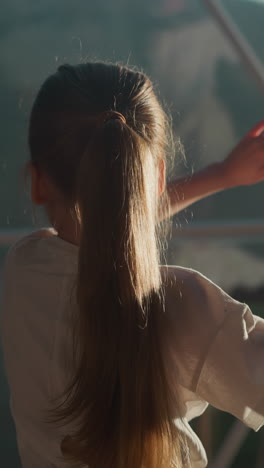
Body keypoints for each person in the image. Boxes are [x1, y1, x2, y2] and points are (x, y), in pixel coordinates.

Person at [2, 62, 264, 468]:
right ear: (158, 178)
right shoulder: (186, 307)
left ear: (38, 182)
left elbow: (108, 221)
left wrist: (220, 175)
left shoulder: (22, 269)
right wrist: (221, 175)